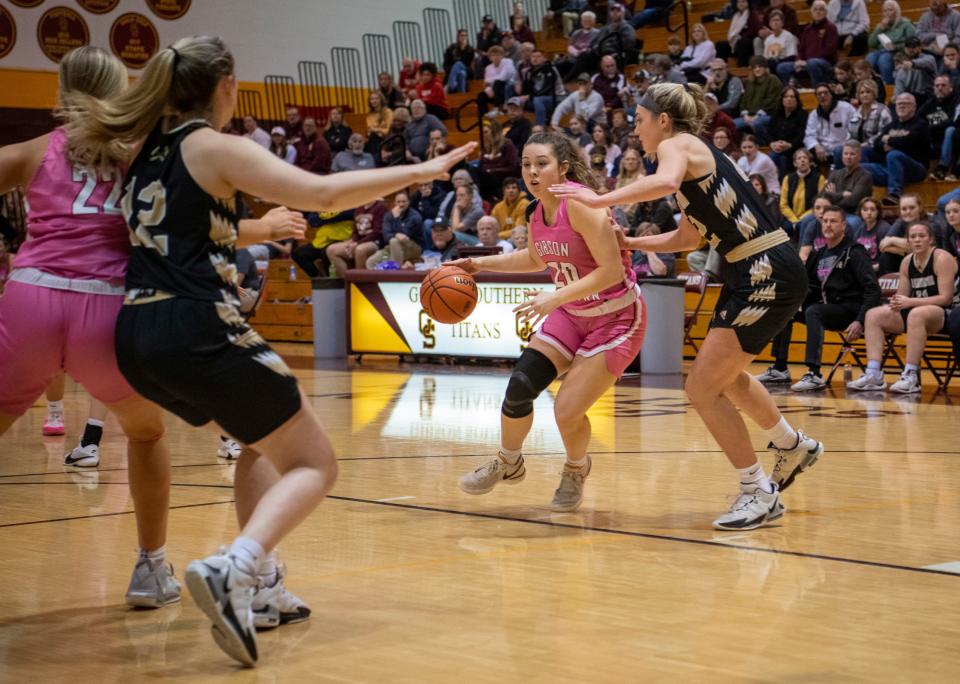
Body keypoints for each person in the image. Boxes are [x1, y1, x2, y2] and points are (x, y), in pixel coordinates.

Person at [63, 35, 475, 666]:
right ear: (224, 85)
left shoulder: (142, 150)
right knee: (316, 464)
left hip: (136, 334)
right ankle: (236, 567)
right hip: (198, 325)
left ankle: (259, 585)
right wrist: (422, 171)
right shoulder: (212, 146)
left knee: (259, 438)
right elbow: (324, 195)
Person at [552, 83, 824, 530]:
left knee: (700, 388)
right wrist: (632, 241)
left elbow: (664, 181)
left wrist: (598, 199)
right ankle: (790, 444)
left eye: (639, 120)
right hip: (750, 270)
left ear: (663, 120)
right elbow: (689, 238)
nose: (634, 130)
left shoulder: (679, 146)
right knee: (726, 378)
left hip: (764, 269)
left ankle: (757, 491)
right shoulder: (691, 164)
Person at [0, 46, 190, 610]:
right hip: (104, 307)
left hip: (30, 298)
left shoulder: (34, 150)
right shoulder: (141, 155)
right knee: (147, 433)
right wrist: (266, 225)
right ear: (120, 90)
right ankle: (151, 571)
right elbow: (192, 227)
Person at [455, 131, 645, 513]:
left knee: (566, 410)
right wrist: (481, 263)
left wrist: (555, 297)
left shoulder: (582, 204)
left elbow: (610, 271)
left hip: (616, 317)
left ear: (563, 167)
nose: (532, 171)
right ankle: (509, 462)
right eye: (526, 164)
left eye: (541, 163)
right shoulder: (535, 210)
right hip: (572, 314)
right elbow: (535, 259)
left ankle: (576, 468)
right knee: (520, 387)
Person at [758, 205, 880, 390]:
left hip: (851, 310)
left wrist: (860, 320)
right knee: (786, 312)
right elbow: (810, 288)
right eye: (825, 221)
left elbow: (873, 290)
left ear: (844, 226)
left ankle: (814, 373)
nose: (828, 225)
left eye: (833, 221)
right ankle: (780, 368)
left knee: (814, 311)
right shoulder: (819, 253)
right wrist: (792, 305)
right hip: (828, 309)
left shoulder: (854, 252)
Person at [848, 222, 957, 393]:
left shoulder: (942, 258)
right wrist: (895, 303)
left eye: (922, 236)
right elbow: (902, 298)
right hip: (916, 313)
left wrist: (909, 302)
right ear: (908, 241)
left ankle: (910, 375)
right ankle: (873, 373)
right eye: (913, 237)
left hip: (945, 314)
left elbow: (946, 298)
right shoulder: (907, 262)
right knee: (873, 315)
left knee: (916, 314)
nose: (917, 240)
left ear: (931, 239)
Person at [861, 93, 931, 205]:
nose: (902, 106)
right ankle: (863, 195)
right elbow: (877, 143)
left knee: (894, 154)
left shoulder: (921, 124)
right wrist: (895, 142)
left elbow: (909, 142)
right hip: (890, 170)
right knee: (861, 162)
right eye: (899, 104)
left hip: (915, 169)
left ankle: (894, 194)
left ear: (914, 107)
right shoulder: (892, 124)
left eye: (906, 104)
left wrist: (889, 140)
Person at [776, 1, 838, 87]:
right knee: (781, 67)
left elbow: (829, 50)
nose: (818, 12)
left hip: (825, 63)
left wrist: (808, 62)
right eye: (815, 10)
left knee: (813, 63)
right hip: (806, 63)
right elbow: (801, 49)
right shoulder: (807, 29)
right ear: (811, 12)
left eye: (821, 9)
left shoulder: (831, 28)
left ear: (826, 12)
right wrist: (798, 61)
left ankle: (818, 89)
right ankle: (793, 89)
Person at [757, 86, 807, 177]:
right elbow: (769, 131)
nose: (789, 99)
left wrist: (789, 144)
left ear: (797, 100)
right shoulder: (777, 113)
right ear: (782, 99)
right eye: (786, 97)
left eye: (792, 97)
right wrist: (772, 143)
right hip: (777, 148)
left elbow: (802, 135)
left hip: (795, 148)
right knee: (777, 156)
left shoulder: (803, 114)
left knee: (780, 158)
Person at [366, 190, 424, 268]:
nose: (401, 204)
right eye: (398, 202)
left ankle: (395, 274)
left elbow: (404, 236)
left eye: (404, 201)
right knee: (371, 262)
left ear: (409, 202)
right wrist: (395, 234)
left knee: (394, 241)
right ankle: (382, 279)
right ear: (395, 203)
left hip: (413, 247)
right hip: (392, 247)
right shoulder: (388, 215)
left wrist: (396, 218)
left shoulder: (415, 216)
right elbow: (386, 236)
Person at [804, 84, 856, 166]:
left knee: (840, 151)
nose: (823, 96)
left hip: (842, 148)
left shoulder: (846, 108)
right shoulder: (814, 115)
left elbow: (854, 130)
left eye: (825, 93)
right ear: (816, 97)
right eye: (819, 94)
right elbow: (809, 135)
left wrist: (846, 145)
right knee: (802, 155)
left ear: (831, 95)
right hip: (822, 151)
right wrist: (816, 146)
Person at [867, 1, 917, 84]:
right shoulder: (881, 25)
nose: (887, 13)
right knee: (870, 57)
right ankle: (872, 84)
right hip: (882, 50)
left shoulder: (905, 24)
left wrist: (895, 47)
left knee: (884, 59)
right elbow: (871, 43)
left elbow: (913, 41)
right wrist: (879, 28)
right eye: (885, 11)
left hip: (898, 51)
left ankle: (889, 85)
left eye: (890, 10)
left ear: (897, 12)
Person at [780, 148, 825, 238]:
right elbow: (783, 204)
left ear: (810, 162)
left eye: (805, 158)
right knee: (785, 228)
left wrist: (800, 220)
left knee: (803, 225)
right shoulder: (788, 178)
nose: (802, 160)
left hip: (810, 216)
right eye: (799, 158)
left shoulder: (819, 178)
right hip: (791, 218)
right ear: (795, 163)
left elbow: (819, 204)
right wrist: (794, 220)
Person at [443, 29, 475, 94]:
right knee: (461, 72)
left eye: (465, 36)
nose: (463, 37)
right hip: (451, 75)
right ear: (458, 37)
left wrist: (463, 50)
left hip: (466, 73)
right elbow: (445, 66)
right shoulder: (451, 49)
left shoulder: (470, 50)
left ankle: (450, 85)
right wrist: (455, 70)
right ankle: (461, 93)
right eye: (461, 36)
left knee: (460, 66)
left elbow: (471, 70)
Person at [365, 90, 393, 155]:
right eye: (372, 99)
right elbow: (369, 132)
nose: (374, 101)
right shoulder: (369, 116)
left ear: (381, 100)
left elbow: (387, 130)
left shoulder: (388, 112)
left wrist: (376, 129)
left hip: (387, 139)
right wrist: (378, 130)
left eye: (376, 98)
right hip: (374, 139)